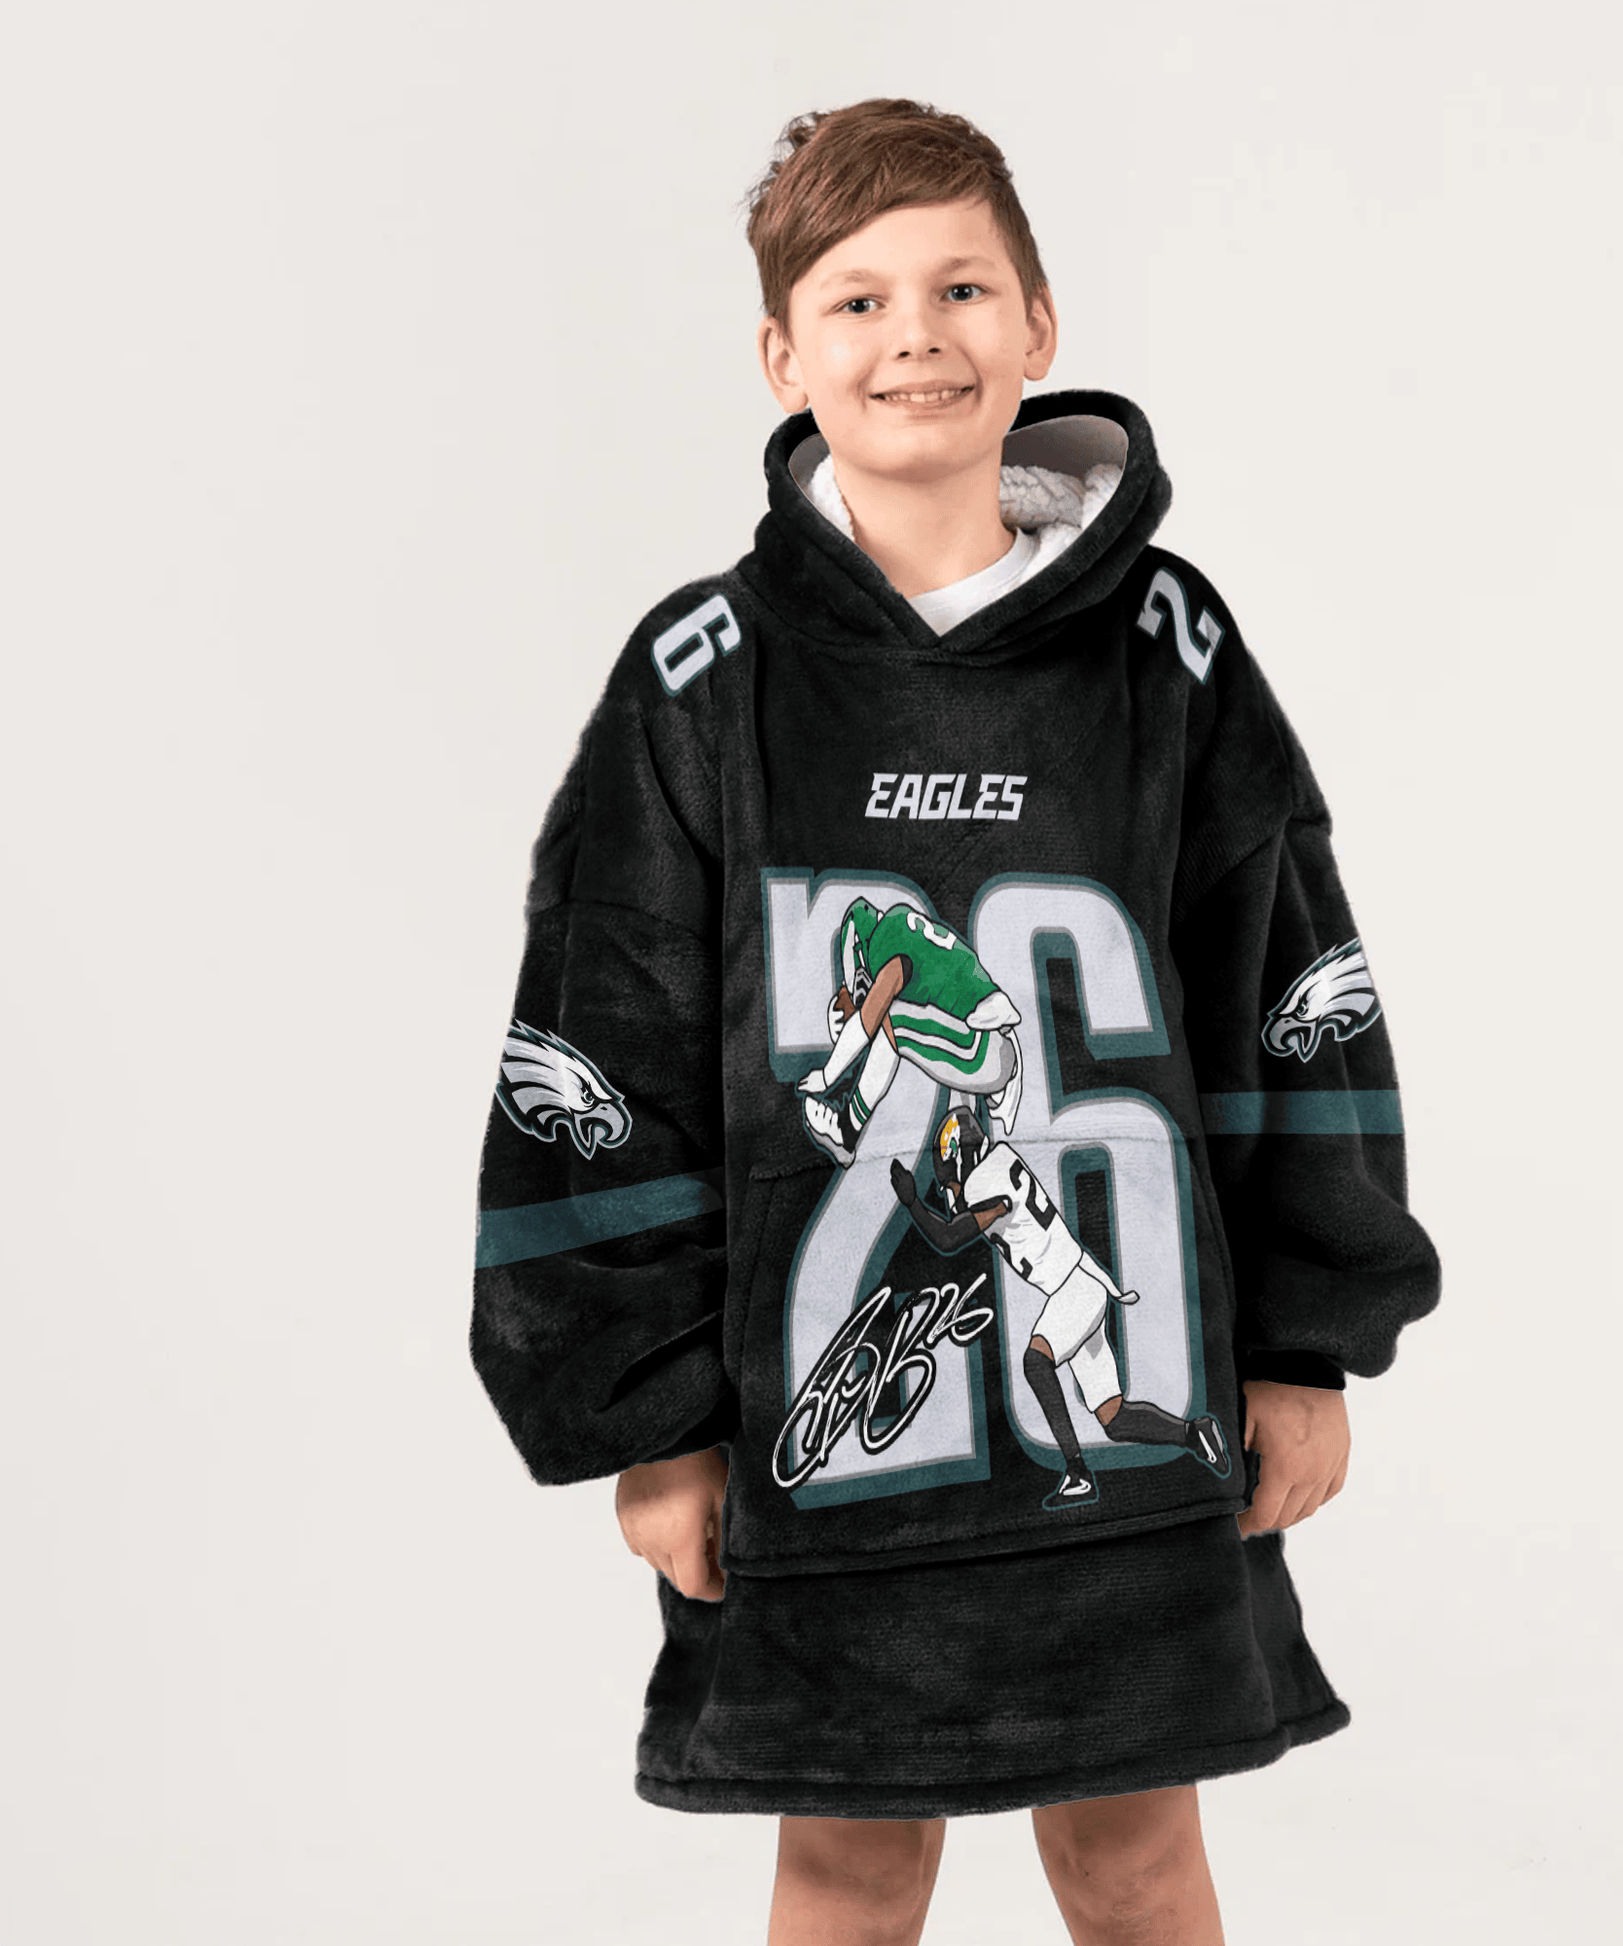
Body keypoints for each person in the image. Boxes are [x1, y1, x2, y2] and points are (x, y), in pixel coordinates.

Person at [470, 97, 1441, 1946]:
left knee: (1134, 1853)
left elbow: (1283, 981)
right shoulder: (705, 680)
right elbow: (605, 1035)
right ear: (782, 356)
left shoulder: (1164, 649)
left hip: (1134, 1436)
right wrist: (647, 1416)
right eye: (856, 301)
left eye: (960, 287)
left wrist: (1310, 1337)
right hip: (820, 1440)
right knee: (848, 1862)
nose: (912, 334)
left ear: (1038, 324)